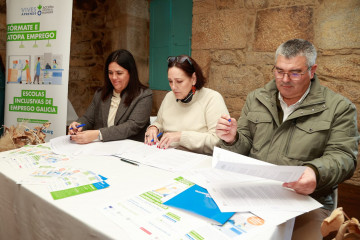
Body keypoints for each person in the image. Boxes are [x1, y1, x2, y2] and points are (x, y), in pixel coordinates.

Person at [216, 39, 359, 240]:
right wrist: (232, 139)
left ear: (312, 70)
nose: (285, 79)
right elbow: (245, 143)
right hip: (255, 190)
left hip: (306, 200)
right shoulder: (256, 98)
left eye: (295, 72)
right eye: (279, 71)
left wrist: (315, 173)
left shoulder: (339, 108)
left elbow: (344, 156)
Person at [144, 55, 229, 155]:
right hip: (167, 156)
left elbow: (218, 141)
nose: (173, 87)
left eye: (179, 81)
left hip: (199, 160)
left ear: (193, 78)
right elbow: (160, 123)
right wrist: (153, 128)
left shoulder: (212, 98)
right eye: (170, 81)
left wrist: (181, 137)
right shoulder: (169, 97)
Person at [69, 49, 152, 143]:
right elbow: (88, 119)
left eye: (119, 73)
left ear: (130, 73)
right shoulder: (100, 93)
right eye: (110, 73)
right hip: (101, 149)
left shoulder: (144, 95)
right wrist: (78, 125)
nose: (114, 77)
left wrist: (98, 134)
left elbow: (131, 126)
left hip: (129, 151)